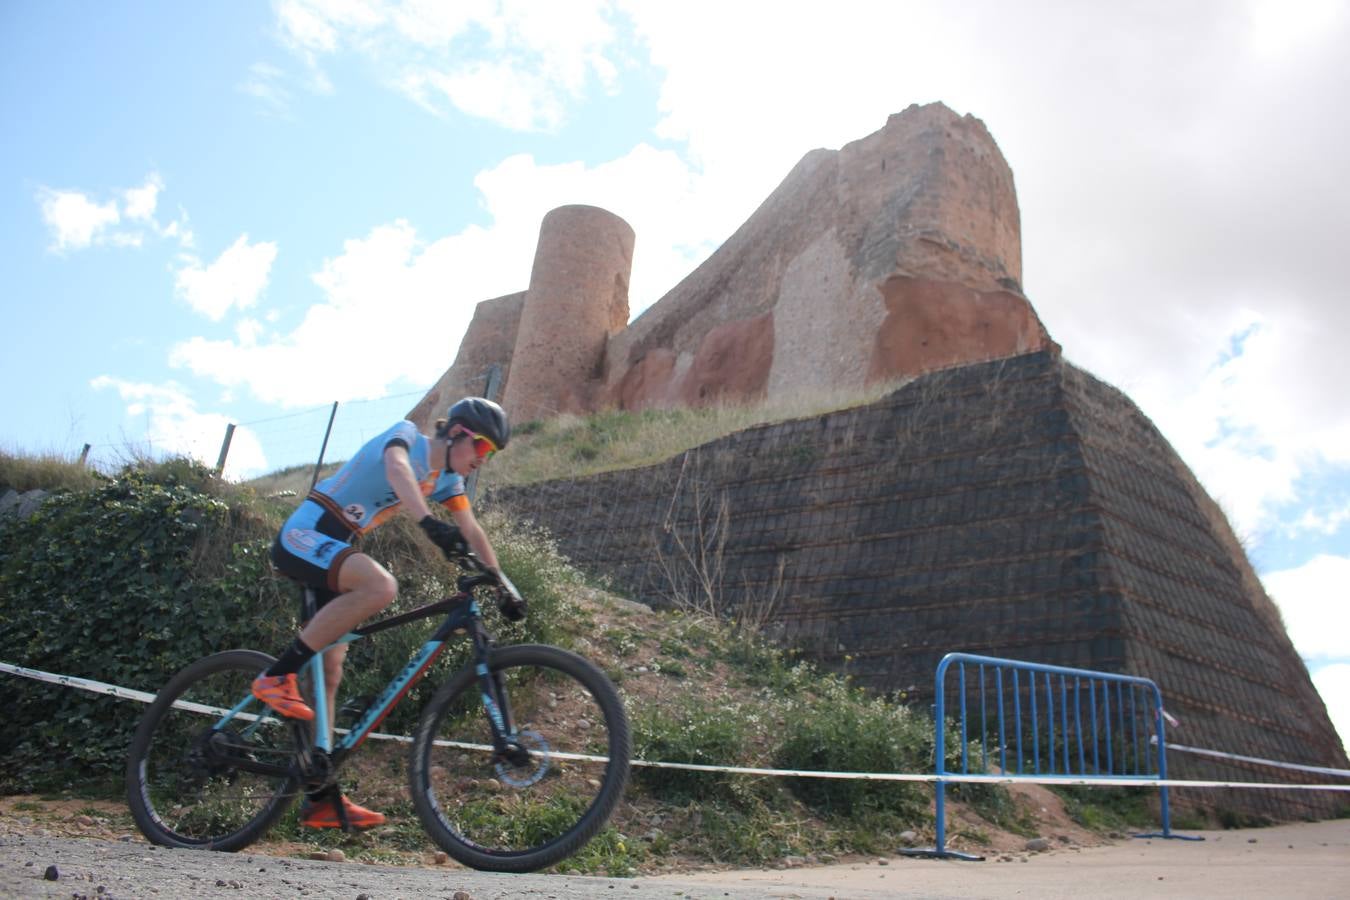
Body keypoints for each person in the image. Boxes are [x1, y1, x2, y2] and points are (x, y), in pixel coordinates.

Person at [251, 396, 522, 830]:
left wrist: (503, 582)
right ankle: (274, 676)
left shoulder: (445, 480)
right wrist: (428, 523)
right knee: (380, 586)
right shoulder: (407, 436)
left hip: (337, 545)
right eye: (484, 449)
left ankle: (320, 798)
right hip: (307, 532)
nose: (483, 461)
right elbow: (397, 470)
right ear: (457, 433)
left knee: (330, 669)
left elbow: (472, 529)